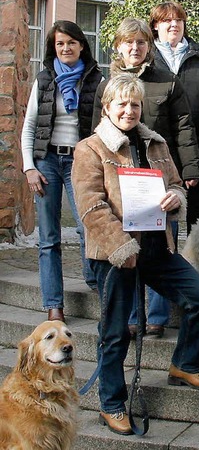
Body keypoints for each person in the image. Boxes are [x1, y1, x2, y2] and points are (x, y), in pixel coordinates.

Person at [72, 73, 199, 436]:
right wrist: (122, 247)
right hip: (114, 253)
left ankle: (184, 363)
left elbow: (172, 183)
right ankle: (111, 402)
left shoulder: (155, 143)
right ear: (106, 107)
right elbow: (91, 206)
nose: (129, 110)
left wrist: (175, 197)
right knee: (116, 332)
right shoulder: (90, 149)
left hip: (156, 246)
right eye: (121, 103)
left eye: (135, 103)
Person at [92, 17, 199, 336]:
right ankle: (130, 316)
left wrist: (190, 168)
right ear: (118, 47)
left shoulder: (167, 80)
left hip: (157, 173)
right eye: (129, 42)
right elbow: (94, 133)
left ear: (149, 45)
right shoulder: (106, 83)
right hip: (120, 178)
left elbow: (184, 125)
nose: (135, 47)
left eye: (141, 42)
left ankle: (156, 315)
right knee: (128, 244)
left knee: (161, 243)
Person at [21, 20, 102, 322]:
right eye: (59, 43)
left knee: (88, 227)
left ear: (82, 44)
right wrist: (29, 167)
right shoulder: (44, 80)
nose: (66, 48)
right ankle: (54, 305)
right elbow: (30, 127)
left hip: (80, 163)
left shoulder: (96, 79)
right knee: (49, 237)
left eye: (71, 42)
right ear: (53, 47)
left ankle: (94, 282)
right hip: (47, 162)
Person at [150, 1, 199, 234]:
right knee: (160, 217)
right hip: (158, 149)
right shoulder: (145, 56)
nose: (173, 24)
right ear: (155, 26)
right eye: (167, 20)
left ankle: (195, 270)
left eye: (178, 20)